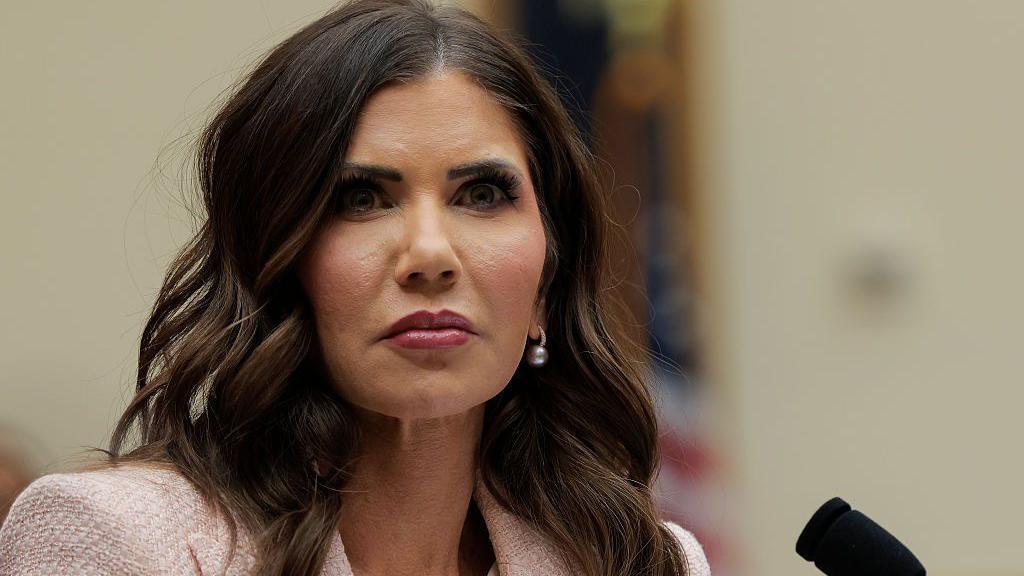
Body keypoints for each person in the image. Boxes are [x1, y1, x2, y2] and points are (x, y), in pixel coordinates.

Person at [0, 1, 710, 574]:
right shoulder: (116, 544)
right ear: (273, 261)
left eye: (483, 193)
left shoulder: (638, 561)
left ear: (547, 284)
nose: (430, 255)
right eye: (361, 198)